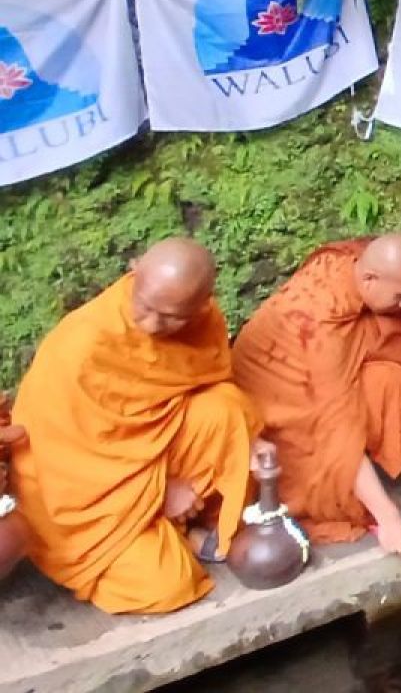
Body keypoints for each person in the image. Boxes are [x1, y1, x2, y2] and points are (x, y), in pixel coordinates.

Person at [8, 238, 264, 613]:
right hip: (77, 495)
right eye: (145, 306)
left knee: (228, 411)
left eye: (173, 316)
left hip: (144, 452)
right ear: (134, 269)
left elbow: (207, 385)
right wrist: (161, 490)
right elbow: (61, 458)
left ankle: (178, 527)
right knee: (166, 585)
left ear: (202, 303)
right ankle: (170, 530)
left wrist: (252, 440)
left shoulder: (204, 321)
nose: (153, 324)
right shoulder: (83, 346)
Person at [232, 234, 401, 556]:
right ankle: (354, 486)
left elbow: (393, 351)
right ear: (369, 278)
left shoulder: (354, 271)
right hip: (277, 401)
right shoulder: (319, 327)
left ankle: (367, 474)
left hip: (320, 380)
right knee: (329, 477)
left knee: (389, 377)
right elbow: (338, 425)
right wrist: (388, 517)